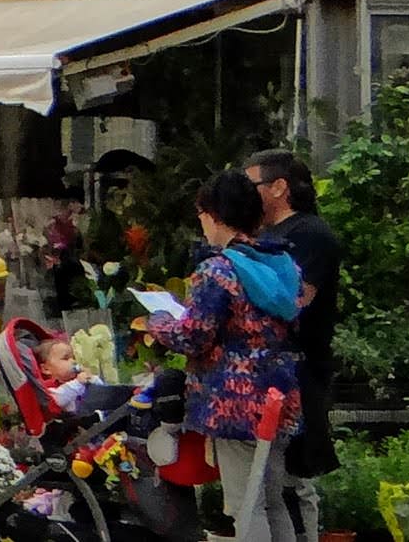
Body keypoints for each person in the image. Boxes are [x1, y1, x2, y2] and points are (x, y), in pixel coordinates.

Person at [148, 171, 303, 542]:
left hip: (233, 402)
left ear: (215, 215)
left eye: (202, 215)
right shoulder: (280, 263)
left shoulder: (217, 270)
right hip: (279, 395)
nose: (201, 224)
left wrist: (158, 321)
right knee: (273, 499)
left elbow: (194, 336)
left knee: (245, 504)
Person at [249, 149, 344, 542]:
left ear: (278, 188)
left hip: (299, 368)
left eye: (251, 184)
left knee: (293, 476)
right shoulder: (262, 236)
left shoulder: (309, 236)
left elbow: (295, 300)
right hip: (266, 369)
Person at [36, 336, 102, 413]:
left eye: (73, 358)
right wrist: (78, 383)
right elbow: (59, 400)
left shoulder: (79, 378)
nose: (73, 361)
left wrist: (92, 379)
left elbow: (102, 389)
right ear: (46, 369)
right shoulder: (48, 388)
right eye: (66, 358)